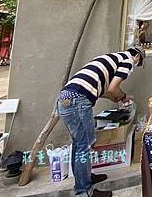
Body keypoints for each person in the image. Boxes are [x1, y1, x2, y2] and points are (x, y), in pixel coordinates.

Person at [57, 47, 146, 197]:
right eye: (138, 62)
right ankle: (84, 191)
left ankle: (84, 179)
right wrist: (124, 97)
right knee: (84, 145)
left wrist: (115, 98)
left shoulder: (110, 58)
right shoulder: (128, 60)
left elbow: (104, 91)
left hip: (65, 99)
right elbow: (113, 87)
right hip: (77, 101)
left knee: (79, 143)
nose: (135, 65)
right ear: (137, 56)